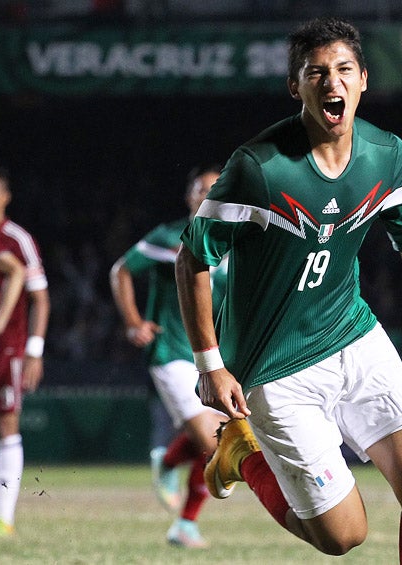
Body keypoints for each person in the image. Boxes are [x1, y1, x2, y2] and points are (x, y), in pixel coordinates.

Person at [174, 17, 402, 563]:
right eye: (315, 72)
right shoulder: (259, 167)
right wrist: (210, 365)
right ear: (295, 86)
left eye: (343, 69)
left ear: (363, 79)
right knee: (343, 536)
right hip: (274, 368)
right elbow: (192, 258)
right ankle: (241, 453)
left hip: (352, 336)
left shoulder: (386, 155)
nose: (331, 82)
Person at [109, 165, 228, 548]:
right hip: (171, 353)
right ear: (189, 196)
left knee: (224, 441)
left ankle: (170, 463)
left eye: (216, 188)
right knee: (213, 442)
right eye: (200, 188)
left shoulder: (234, 243)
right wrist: (133, 322)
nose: (208, 194)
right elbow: (122, 270)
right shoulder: (169, 237)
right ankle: (185, 524)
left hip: (216, 358)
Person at [0, 166, 49, 539]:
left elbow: (39, 296)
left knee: (5, 424)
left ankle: (3, 518)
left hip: (5, 348)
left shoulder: (16, 240)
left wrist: (33, 351)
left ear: (5, 197)